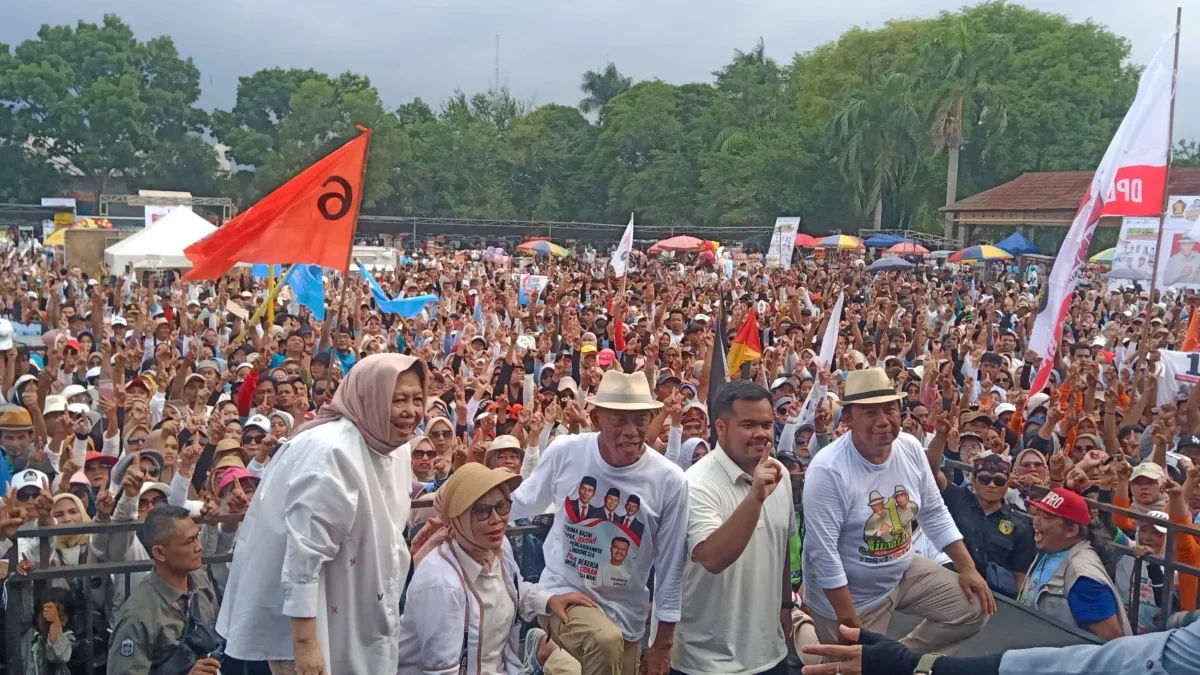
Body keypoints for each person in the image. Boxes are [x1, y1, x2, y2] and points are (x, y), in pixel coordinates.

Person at [216, 354, 425, 675]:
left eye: (417, 399)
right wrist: (305, 645)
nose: (411, 411)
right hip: (307, 621)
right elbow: (303, 559)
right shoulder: (332, 452)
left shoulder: (393, 446)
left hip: (358, 602)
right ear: (370, 397)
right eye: (398, 399)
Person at [802, 368, 993, 654]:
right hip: (852, 598)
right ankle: (798, 629)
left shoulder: (910, 448)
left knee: (975, 606)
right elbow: (824, 556)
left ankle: (899, 658)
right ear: (849, 418)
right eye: (869, 413)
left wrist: (967, 567)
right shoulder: (828, 470)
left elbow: (933, 511)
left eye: (889, 409)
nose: (882, 421)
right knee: (844, 667)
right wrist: (849, 623)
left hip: (902, 570)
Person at [512, 371, 688, 675]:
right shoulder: (566, 452)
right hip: (565, 597)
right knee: (605, 641)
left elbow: (671, 566)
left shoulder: (670, 480)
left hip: (628, 617)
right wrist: (458, 511)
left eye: (641, 419)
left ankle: (543, 658)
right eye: (620, 420)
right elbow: (521, 502)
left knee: (612, 642)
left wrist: (662, 645)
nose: (632, 431)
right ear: (595, 418)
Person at [398, 462, 592, 675]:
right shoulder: (441, 582)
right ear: (457, 517)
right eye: (481, 511)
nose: (497, 519)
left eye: (502, 506)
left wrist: (549, 600)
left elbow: (510, 586)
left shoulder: (496, 548)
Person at [669, 381, 796, 675]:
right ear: (721, 428)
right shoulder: (696, 484)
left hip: (769, 652)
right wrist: (755, 497)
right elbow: (713, 558)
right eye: (748, 424)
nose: (761, 434)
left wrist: (786, 605)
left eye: (767, 424)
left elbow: (782, 546)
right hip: (707, 661)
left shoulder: (781, 475)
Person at [107, 505, 223, 675]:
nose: (199, 547)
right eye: (189, 542)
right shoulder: (138, 616)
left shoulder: (199, 580)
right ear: (160, 553)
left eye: (197, 537)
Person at [1019, 487, 1132, 639]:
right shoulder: (1051, 547)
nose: (1036, 522)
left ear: (1071, 530)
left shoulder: (1083, 578)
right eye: (1037, 514)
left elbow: (1111, 637)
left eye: (1046, 517)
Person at [935, 453, 1036, 598]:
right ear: (974, 480)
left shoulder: (1021, 524)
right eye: (984, 479)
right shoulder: (957, 499)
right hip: (950, 587)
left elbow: (1019, 576)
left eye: (999, 481)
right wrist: (941, 435)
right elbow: (932, 473)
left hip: (992, 599)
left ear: (1008, 484)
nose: (991, 485)